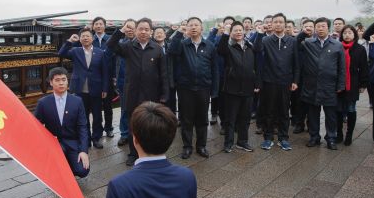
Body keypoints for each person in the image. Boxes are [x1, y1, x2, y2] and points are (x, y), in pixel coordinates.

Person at [108, 18, 168, 166]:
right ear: (135, 31)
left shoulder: (157, 49)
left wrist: (164, 94)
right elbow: (110, 45)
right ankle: (133, 153)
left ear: (151, 32)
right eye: (140, 29)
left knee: (150, 124)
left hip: (151, 94)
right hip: (132, 94)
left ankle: (150, 152)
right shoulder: (128, 47)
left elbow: (164, 74)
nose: (143, 32)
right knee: (133, 125)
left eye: (146, 29)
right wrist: (121, 30)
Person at [168, 16, 219, 159]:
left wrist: (214, 89)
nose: (194, 27)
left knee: (202, 119)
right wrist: (179, 32)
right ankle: (187, 146)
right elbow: (171, 51)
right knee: (186, 119)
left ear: (202, 28)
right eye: (191, 25)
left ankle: (201, 146)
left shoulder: (209, 46)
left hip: (203, 87)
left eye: (196, 25)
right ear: (187, 28)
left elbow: (214, 69)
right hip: (185, 88)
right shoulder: (182, 44)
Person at [58, 27, 109, 148]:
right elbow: (61, 53)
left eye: (88, 36)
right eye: (83, 36)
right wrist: (70, 41)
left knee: (97, 115)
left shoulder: (100, 52)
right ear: (80, 39)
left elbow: (105, 72)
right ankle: (85, 139)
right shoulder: (75, 51)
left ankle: (96, 138)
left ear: (92, 38)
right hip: (79, 89)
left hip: (96, 88)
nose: (85, 38)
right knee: (82, 116)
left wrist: (105, 89)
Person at [299, 17, 346, 150]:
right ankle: (314, 137)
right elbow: (296, 44)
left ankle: (331, 138)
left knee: (330, 115)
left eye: (323, 26)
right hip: (312, 85)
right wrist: (303, 32)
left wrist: (340, 85)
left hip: (329, 85)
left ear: (328, 28)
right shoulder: (308, 43)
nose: (320, 29)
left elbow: (342, 67)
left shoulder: (337, 45)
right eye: (318, 26)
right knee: (313, 114)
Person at [34, 67, 90, 177]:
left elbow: (82, 127)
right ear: (51, 82)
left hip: (73, 142)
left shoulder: (77, 101)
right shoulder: (43, 103)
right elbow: (36, 126)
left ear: (67, 81)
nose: (61, 83)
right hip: (54, 143)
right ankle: (59, 167)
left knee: (83, 171)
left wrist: (83, 151)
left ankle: (68, 166)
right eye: (57, 80)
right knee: (56, 168)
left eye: (64, 80)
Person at [217, 21, 261, 153]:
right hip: (232, 88)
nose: (238, 32)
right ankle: (228, 143)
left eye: (240, 30)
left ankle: (242, 141)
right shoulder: (228, 46)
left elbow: (256, 65)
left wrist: (257, 83)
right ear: (231, 33)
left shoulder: (249, 46)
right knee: (230, 119)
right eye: (235, 30)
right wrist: (225, 33)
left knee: (245, 118)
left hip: (248, 88)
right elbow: (220, 50)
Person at [259, 13, 298, 151]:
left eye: (281, 22)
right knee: (269, 110)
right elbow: (259, 60)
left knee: (284, 111)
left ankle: (283, 138)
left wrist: (295, 80)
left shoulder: (292, 41)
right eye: (275, 22)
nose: (278, 24)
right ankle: (268, 138)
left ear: (285, 24)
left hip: (286, 81)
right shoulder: (265, 40)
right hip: (269, 81)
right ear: (272, 24)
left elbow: (296, 63)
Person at [336, 25, 369, 145]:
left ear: (354, 34)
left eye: (350, 33)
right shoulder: (337, 47)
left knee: (351, 108)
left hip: (353, 83)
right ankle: (339, 134)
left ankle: (349, 135)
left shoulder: (360, 49)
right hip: (338, 82)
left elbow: (364, 67)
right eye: (345, 33)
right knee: (338, 110)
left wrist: (363, 84)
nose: (347, 35)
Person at [91, 16, 116, 137]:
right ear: (93, 27)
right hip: (94, 77)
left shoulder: (111, 40)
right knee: (95, 106)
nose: (98, 26)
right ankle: (98, 129)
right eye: (96, 24)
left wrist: (114, 76)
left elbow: (116, 59)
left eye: (100, 24)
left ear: (104, 26)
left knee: (108, 105)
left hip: (108, 76)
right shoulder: (90, 39)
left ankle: (109, 128)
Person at [115, 18, 136, 147]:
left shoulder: (140, 43)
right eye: (127, 27)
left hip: (138, 82)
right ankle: (124, 134)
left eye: (132, 27)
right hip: (123, 81)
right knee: (124, 109)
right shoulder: (120, 43)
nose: (130, 30)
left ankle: (137, 134)